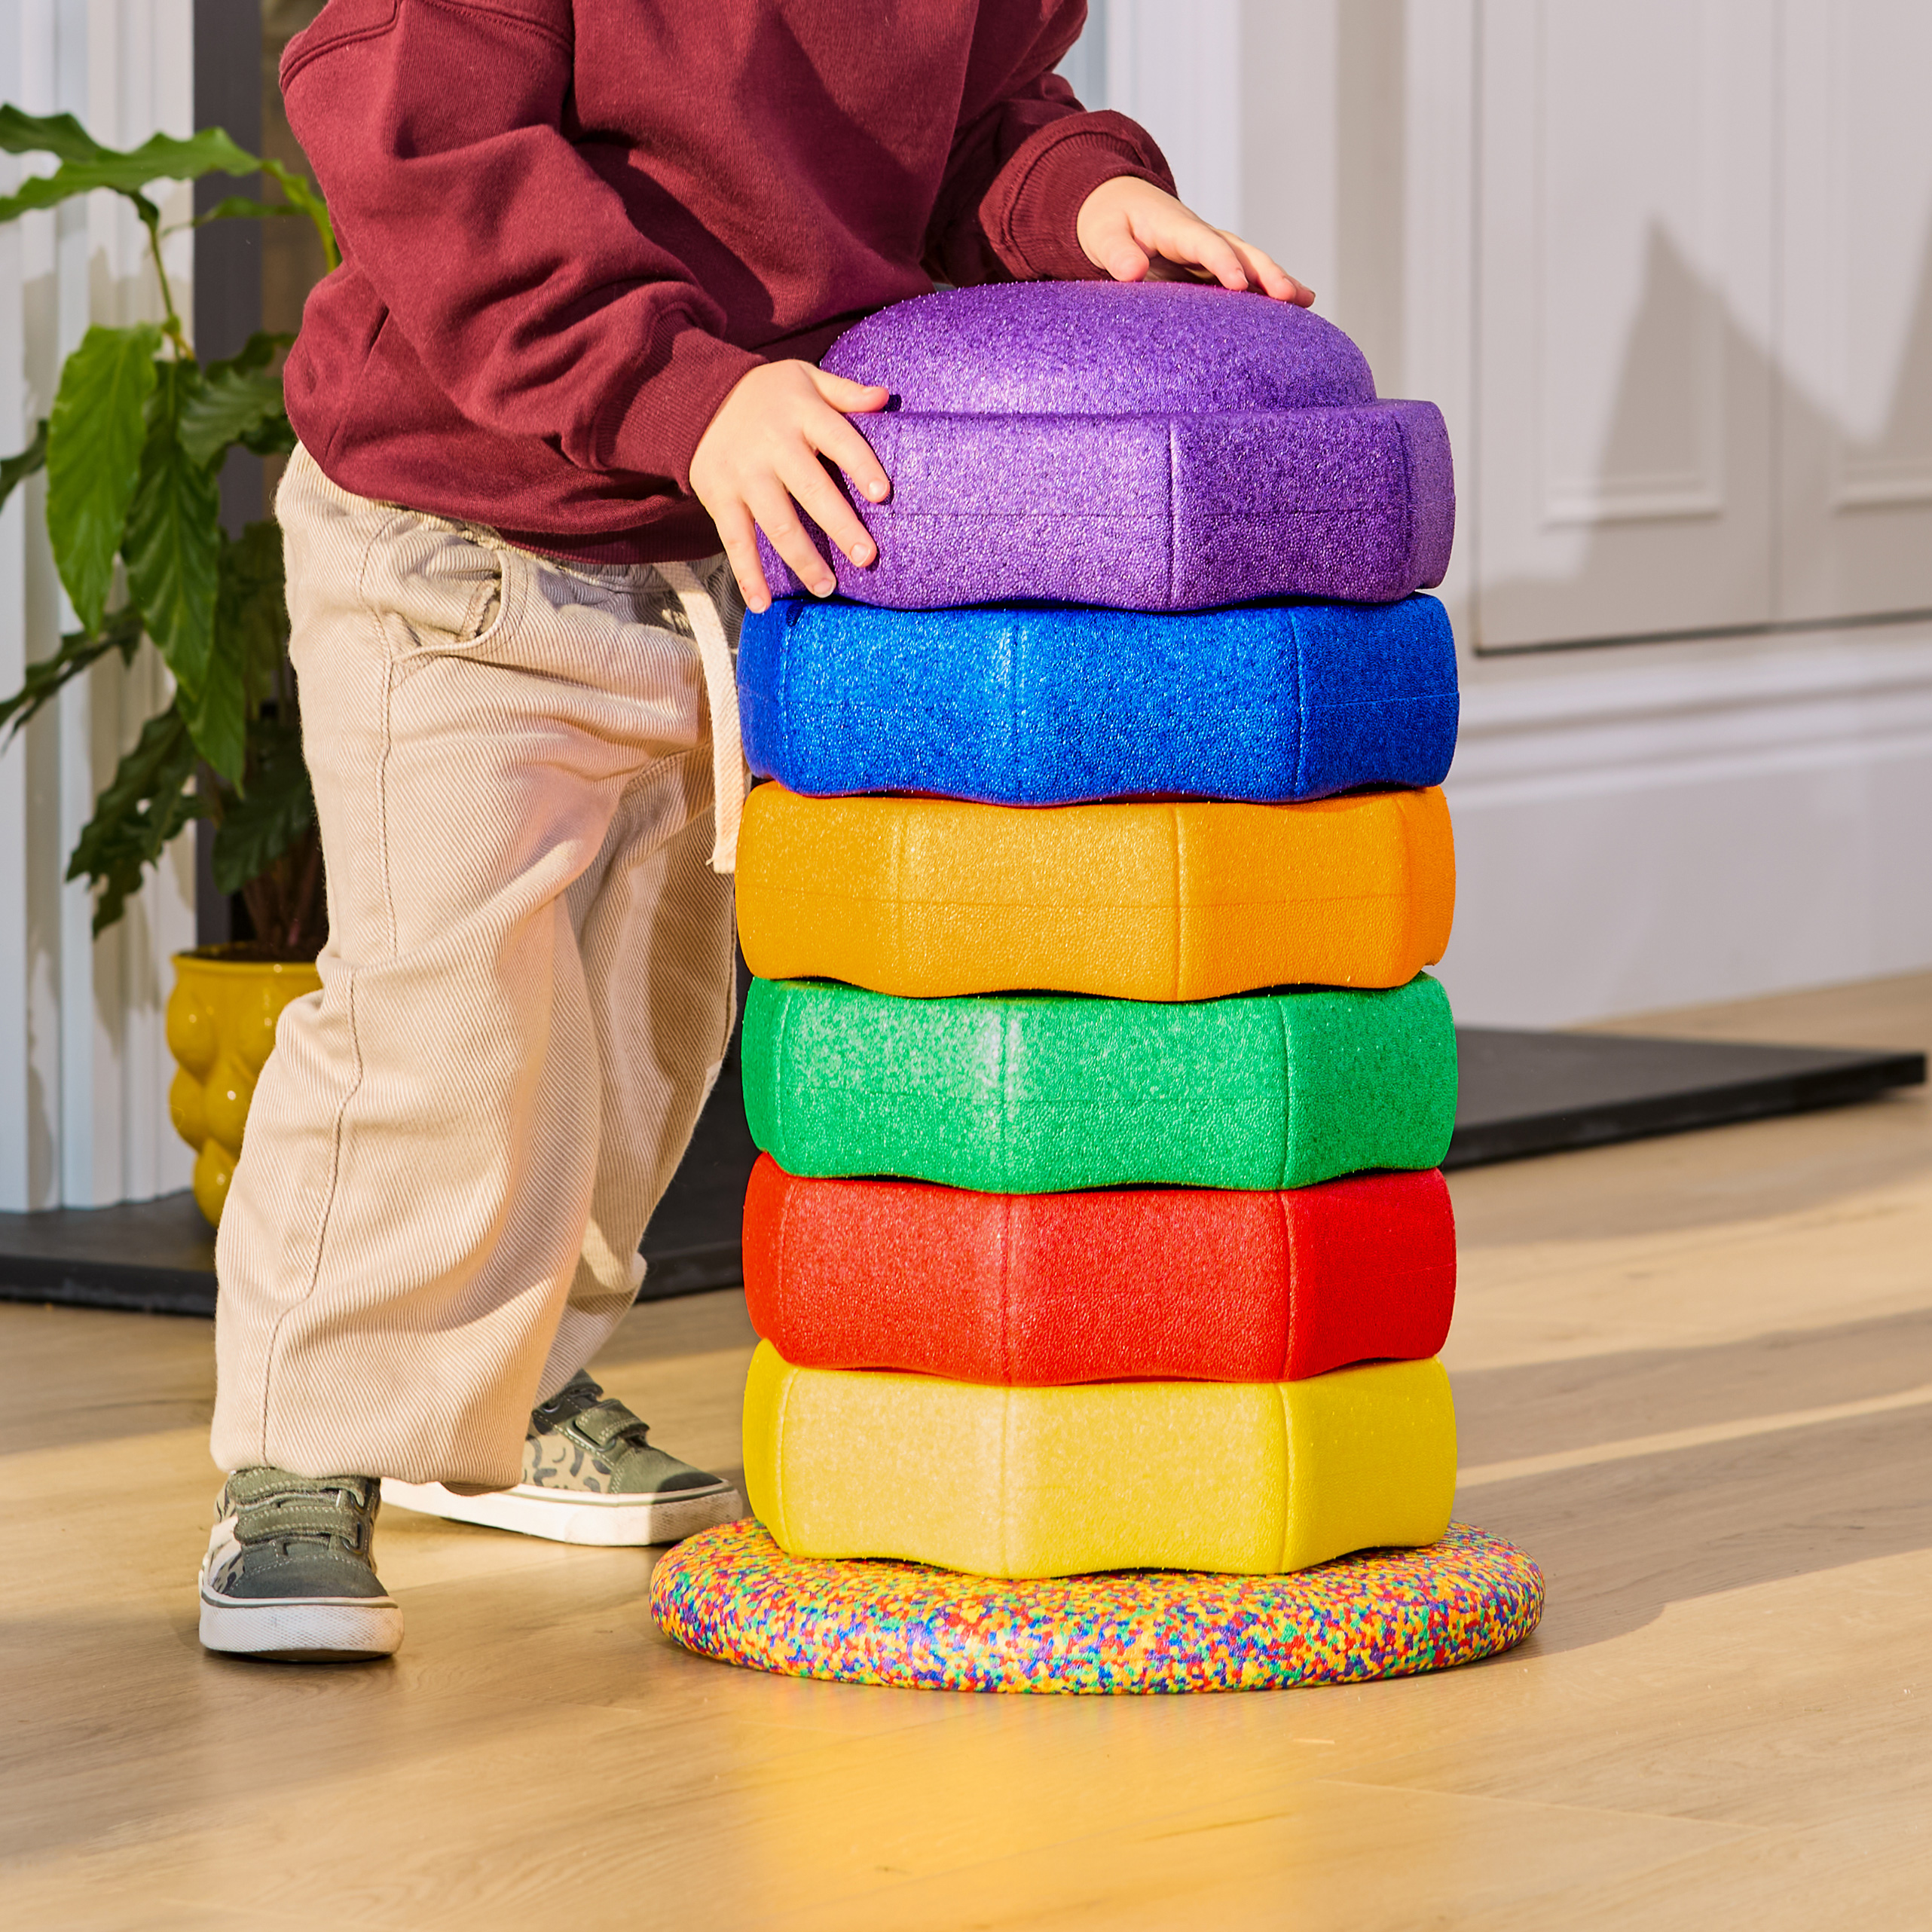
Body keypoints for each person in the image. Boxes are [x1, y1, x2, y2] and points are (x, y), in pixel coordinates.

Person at [197, 0, 1314, 1663]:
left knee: (648, 1025)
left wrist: (1075, 197)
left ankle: (508, 1387)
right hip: (463, 551)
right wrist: (673, 383)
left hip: (733, 557)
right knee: (441, 1019)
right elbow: (418, 141)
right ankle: (306, 1446)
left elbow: (984, 120)